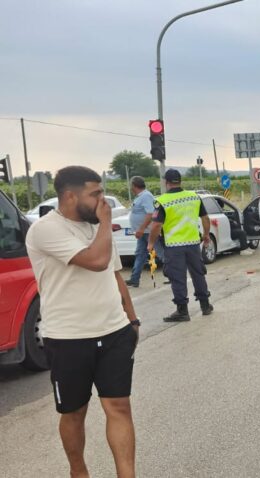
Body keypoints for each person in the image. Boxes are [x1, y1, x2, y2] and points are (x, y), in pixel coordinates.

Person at [26, 166, 141, 478]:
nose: (102, 201)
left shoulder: (96, 227)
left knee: (119, 407)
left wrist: (132, 320)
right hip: (68, 338)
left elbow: (113, 273)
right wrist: (105, 224)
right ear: (70, 196)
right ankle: (79, 472)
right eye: (95, 194)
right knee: (74, 412)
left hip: (114, 332)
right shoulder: (46, 230)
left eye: (102, 192)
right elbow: (96, 261)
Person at [148, 169, 212, 322]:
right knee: (198, 274)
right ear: (180, 181)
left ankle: (182, 311)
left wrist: (150, 243)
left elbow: (156, 226)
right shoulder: (194, 197)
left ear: (166, 182)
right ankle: (205, 306)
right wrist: (206, 234)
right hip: (193, 244)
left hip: (174, 246)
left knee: (177, 277)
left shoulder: (162, 201)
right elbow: (205, 218)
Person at [125, 177, 162, 287]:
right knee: (140, 255)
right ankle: (134, 279)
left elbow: (150, 213)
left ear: (134, 186)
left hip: (148, 231)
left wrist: (141, 228)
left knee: (161, 253)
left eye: (131, 185)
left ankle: (173, 275)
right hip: (143, 232)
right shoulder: (140, 197)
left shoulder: (146, 196)